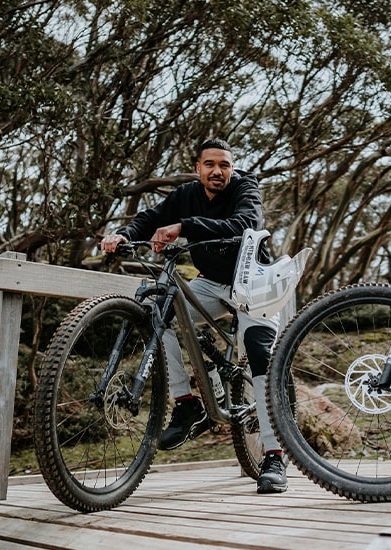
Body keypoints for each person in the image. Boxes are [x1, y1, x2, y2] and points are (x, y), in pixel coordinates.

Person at [100, 138, 287, 494]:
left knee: (260, 356)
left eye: (225, 165)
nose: (218, 171)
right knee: (158, 313)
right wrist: (122, 235)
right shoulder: (186, 194)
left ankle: (274, 455)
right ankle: (187, 405)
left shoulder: (247, 188)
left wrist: (183, 227)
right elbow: (151, 218)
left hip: (253, 284)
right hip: (212, 283)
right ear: (197, 168)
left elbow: (245, 224)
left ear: (232, 168)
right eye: (210, 165)